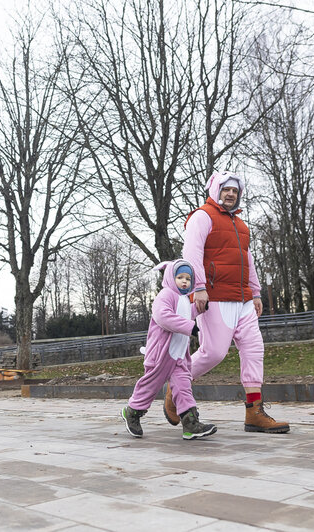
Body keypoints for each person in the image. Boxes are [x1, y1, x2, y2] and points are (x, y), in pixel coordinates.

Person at [166, 170, 289, 433]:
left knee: (254, 349)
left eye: (235, 191)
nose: (231, 194)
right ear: (215, 190)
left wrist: (255, 292)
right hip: (214, 296)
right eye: (226, 189)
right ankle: (177, 387)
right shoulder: (202, 217)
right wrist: (198, 287)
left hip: (243, 298)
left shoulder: (241, 225)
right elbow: (191, 253)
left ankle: (254, 413)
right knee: (214, 353)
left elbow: (248, 259)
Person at [122, 260, 217, 440]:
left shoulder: (182, 298)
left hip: (179, 355)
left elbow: (185, 313)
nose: (184, 282)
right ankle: (132, 412)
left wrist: (199, 310)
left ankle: (191, 424)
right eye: (180, 277)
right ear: (170, 278)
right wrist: (192, 327)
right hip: (161, 354)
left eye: (188, 279)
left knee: (183, 387)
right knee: (150, 385)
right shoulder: (165, 295)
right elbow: (163, 316)